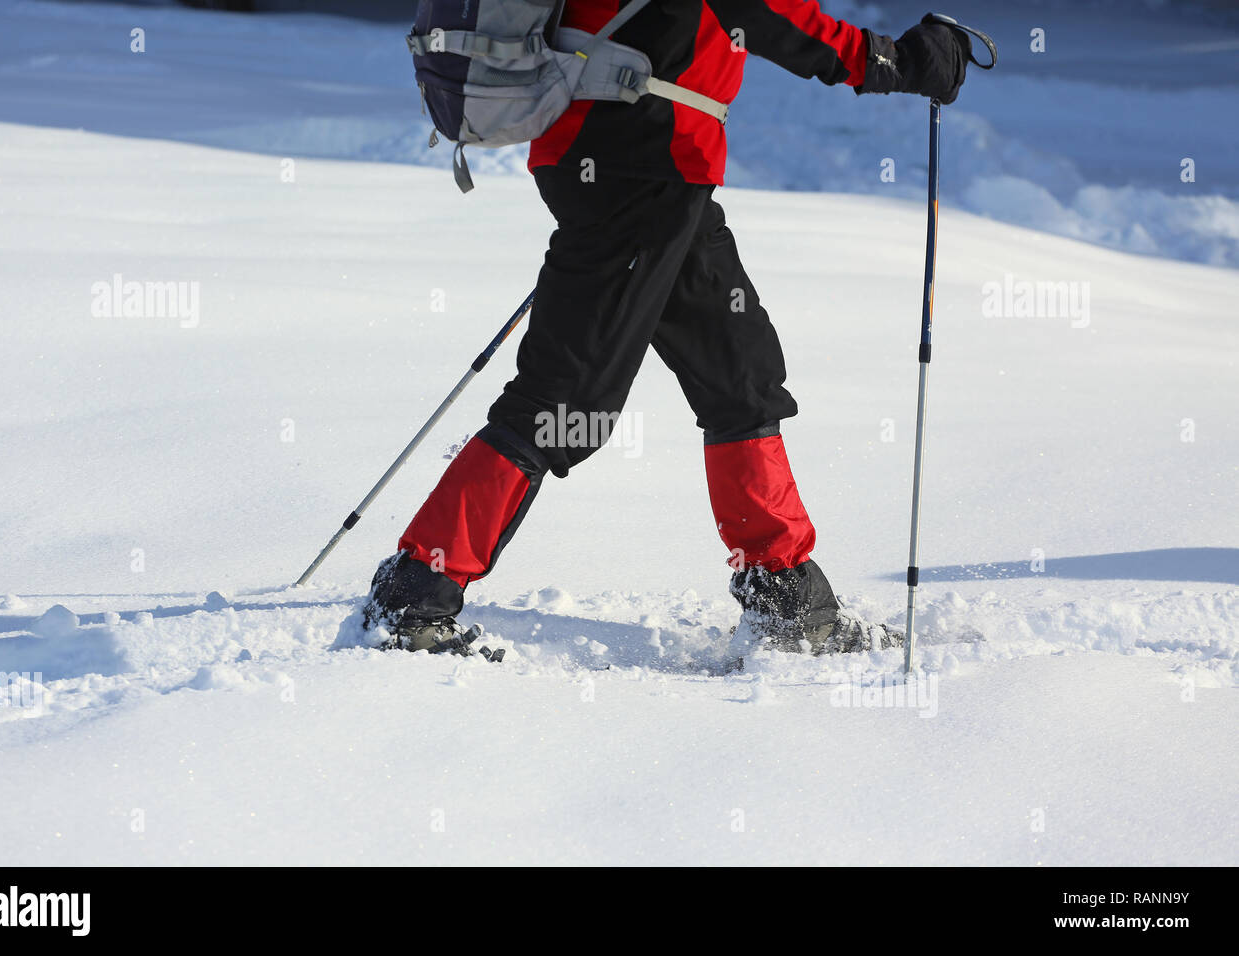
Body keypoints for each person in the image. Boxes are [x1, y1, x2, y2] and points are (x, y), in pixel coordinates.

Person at [359, 1, 971, 654]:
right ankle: (417, 591)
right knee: (564, 400)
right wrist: (893, 61)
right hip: (639, 162)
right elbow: (766, 13)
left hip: (654, 168)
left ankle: (785, 595)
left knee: (739, 371)